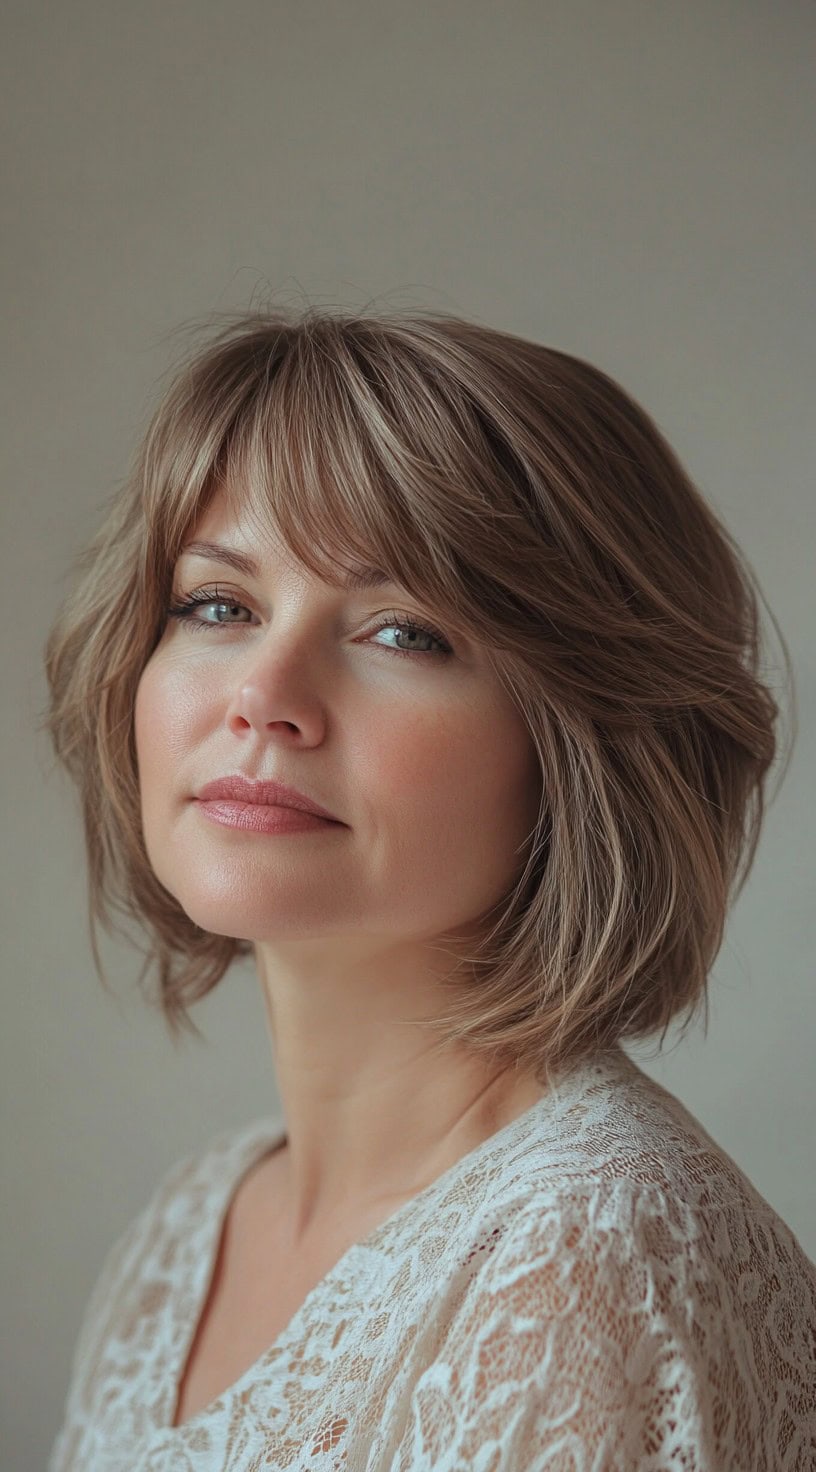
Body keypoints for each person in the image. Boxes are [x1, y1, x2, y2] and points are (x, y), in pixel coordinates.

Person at [43, 304, 816, 1471]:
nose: (263, 691)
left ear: (580, 745)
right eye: (219, 605)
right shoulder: (192, 1222)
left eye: (403, 631)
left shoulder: (582, 1259)